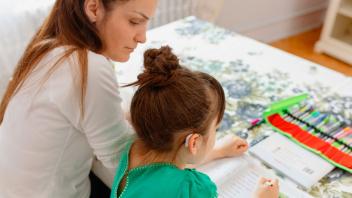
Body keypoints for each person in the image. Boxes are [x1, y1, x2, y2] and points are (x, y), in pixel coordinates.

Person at [0, 0, 248, 197]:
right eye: (134, 21)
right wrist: (210, 151)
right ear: (94, 7)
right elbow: (133, 167)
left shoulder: (50, 46)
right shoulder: (88, 69)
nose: (142, 37)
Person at [110, 46, 279, 198]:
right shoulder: (192, 189)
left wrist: (218, 151)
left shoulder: (133, 146)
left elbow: (170, 167)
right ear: (194, 143)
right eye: (216, 129)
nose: (215, 136)